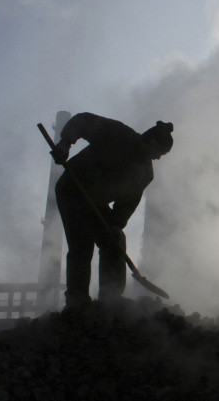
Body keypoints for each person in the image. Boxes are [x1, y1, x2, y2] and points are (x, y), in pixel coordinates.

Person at [51, 112, 174, 308]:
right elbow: (83, 121)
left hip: (96, 203)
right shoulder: (119, 135)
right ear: (152, 142)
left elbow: (127, 203)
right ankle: (77, 300)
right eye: (160, 152)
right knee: (81, 244)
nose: (158, 158)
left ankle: (111, 298)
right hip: (72, 190)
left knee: (114, 240)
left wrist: (115, 223)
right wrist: (65, 143)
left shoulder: (145, 173)